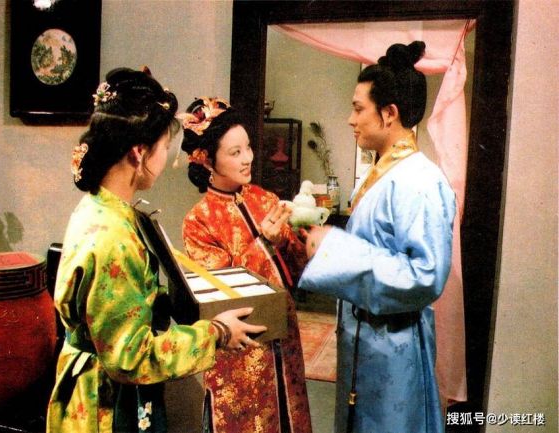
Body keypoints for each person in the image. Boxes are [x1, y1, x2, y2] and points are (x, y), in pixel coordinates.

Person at [46, 68, 265, 433]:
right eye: (164, 147)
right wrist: (216, 332)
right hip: (108, 399)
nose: (166, 158)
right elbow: (130, 356)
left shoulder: (102, 206)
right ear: (139, 152)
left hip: (101, 377)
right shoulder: (113, 237)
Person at [298, 41, 456, 433]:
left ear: (389, 113)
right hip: (367, 336)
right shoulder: (383, 174)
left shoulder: (420, 180)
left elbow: (425, 275)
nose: (350, 119)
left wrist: (334, 250)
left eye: (358, 108)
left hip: (393, 341)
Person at [180, 98, 312, 433]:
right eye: (235, 152)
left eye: (248, 147)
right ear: (207, 159)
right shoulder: (199, 221)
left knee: (290, 413)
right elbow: (224, 290)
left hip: (285, 335)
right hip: (240, 345)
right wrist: (262, 243)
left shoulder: (265, 199)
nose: (248, 158)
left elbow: (300, 271)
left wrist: (289, 240)